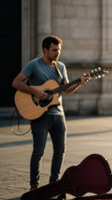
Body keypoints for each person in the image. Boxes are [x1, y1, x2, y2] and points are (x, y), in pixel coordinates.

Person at [11, 35, 90, 192]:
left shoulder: (60, 67)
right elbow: (16, 82)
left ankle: (54, 185)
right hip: (39, 115)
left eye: (59, 50)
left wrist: (79, 83)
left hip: (58, 115)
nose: (57, 53)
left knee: (60, 151)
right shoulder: (34, 64)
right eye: (54, 50)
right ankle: (34, 185)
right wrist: (36, 92)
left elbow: (66, 90)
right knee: (38, 152)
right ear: (45, 50)